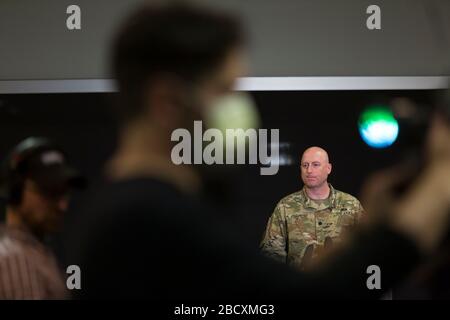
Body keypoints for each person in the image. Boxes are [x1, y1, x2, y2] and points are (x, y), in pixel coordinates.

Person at [64, 3, 450, 300]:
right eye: (225, 90)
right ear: (166, 102)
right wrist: (441, 182)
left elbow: (273, 290)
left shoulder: (148, 207)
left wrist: (363, 232)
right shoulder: (144, 217)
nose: (239, 107)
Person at [0, 137, 85, 299]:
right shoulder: (15, 259)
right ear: (15, 191)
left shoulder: (34, 252)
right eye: (50, 192)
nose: (62, 206)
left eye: (64, 193)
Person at [260, 146, 364, 270]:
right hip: (300, 286)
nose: (309, 170)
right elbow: (271, 255)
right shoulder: (285, 207)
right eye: (305, 165)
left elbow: (369, 249)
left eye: (315, 165)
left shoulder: (351, 205)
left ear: (328, 168)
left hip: (341, 286)